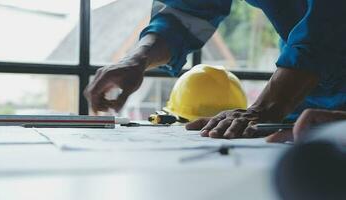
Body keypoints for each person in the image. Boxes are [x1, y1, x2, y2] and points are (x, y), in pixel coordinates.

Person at [85, 0, 346, 139]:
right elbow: (188, 10)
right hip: (303, 104)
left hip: (301, 93)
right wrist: (138, 59)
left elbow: (331, 21)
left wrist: (264, 108)